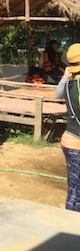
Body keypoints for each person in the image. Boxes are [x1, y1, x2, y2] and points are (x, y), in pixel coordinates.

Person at [55, 43, 80, 212]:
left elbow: (57, 94)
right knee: (76, 192)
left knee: (74, 186)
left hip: (69, 140)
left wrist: (66, 75)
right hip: (77, 143)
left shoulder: (69, 83)